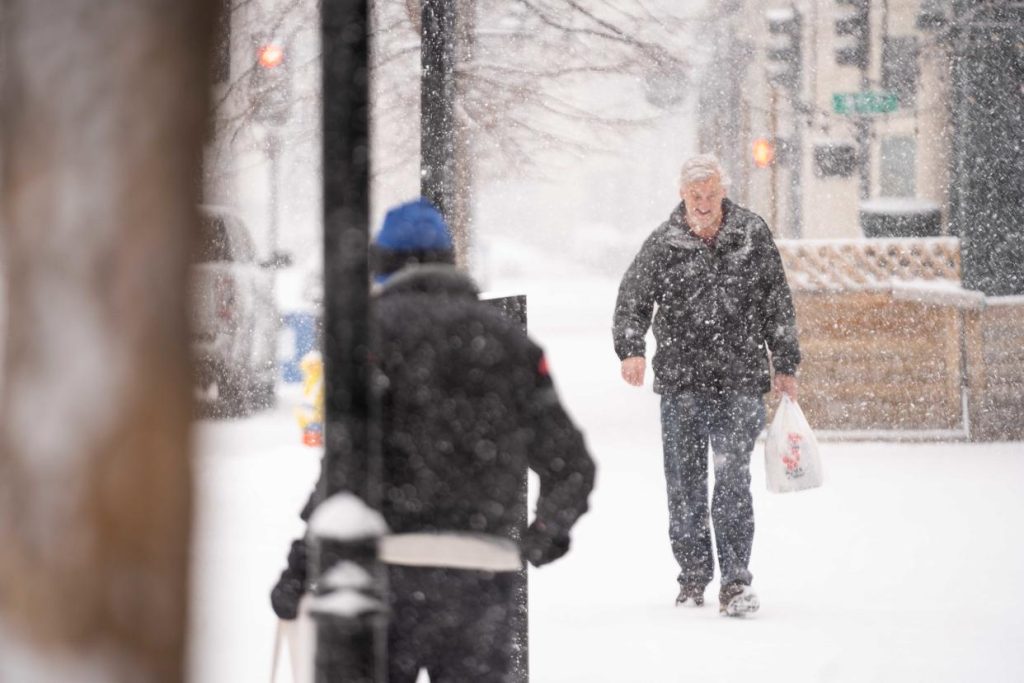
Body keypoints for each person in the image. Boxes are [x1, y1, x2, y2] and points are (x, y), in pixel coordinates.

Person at [271, 198, 596, 681]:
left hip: (383, 573)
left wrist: (303, 563)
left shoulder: (366, 340)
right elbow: (570, 463)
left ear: (382, 264)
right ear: (449, 261)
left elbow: (345, 466)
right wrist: (542, 539)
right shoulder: (510, 344)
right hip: (484, 577)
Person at [612, 154, 800, 617]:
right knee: (685, 484)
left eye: (710, 194)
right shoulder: (664, 242)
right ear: (682, 194)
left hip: (739, 381)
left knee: (733, 480)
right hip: (681, 384)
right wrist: (631, 348)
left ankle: (735, 582)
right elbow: (632, 299)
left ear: (723, 192)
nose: (702, 203)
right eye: (694, 195)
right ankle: (693, 577)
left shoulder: (750, 235)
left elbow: (777, 300)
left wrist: (785, 360)